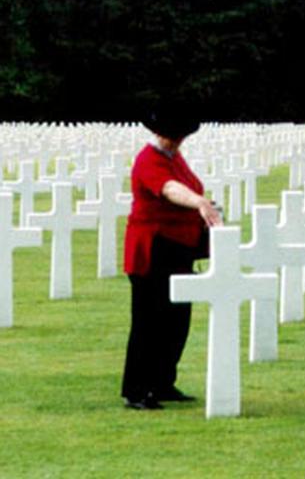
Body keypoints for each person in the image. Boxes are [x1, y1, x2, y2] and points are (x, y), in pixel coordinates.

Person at [120, 105, 222, 410]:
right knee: (149, 321)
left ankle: (163, 381)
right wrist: (198, 202)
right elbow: (168, 189)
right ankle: (137, 389)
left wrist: (204, 207)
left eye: (178, 137)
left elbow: (185, 185)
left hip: (178, 248)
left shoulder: (175, 158)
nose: (174, 142)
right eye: (170, 136)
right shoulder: (148, 160)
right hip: (152, 249)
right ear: (158, 133)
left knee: (177, 320)